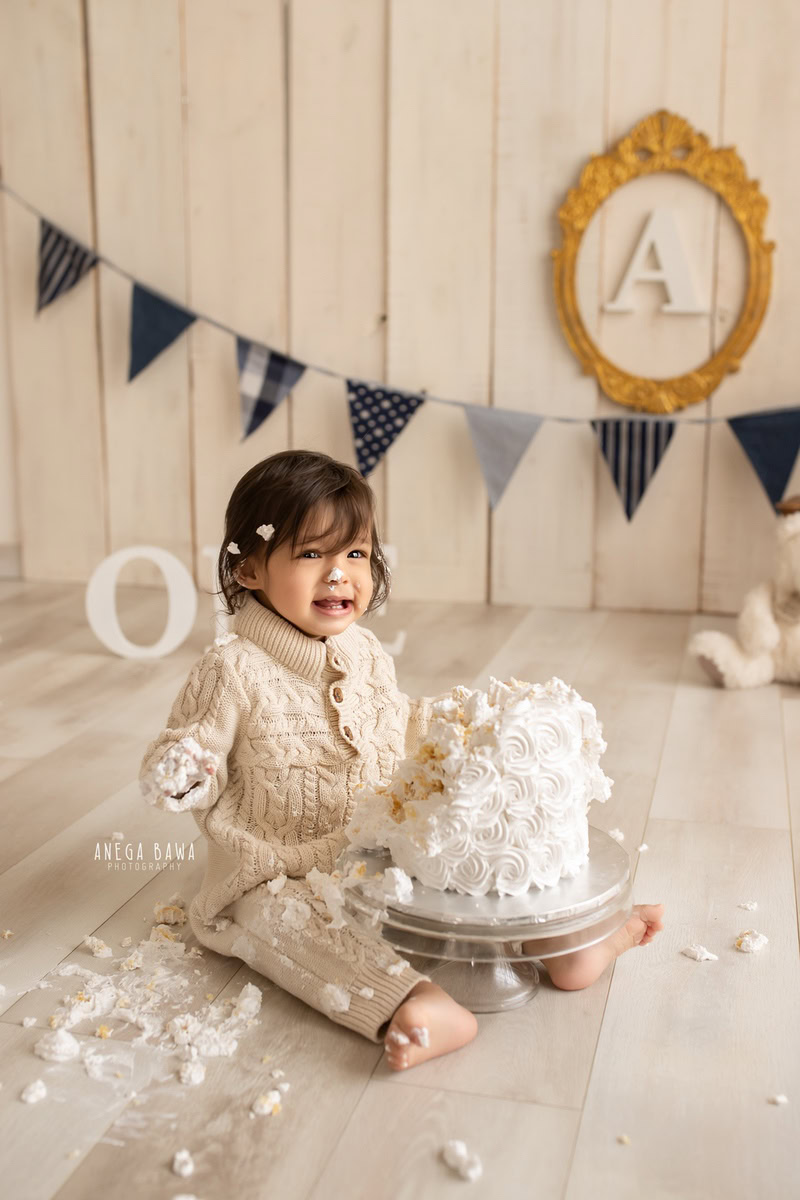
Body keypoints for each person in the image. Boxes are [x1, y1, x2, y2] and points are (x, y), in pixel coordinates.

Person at [139, 449, 664, 1072]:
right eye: (312, 554)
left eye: (355, 554)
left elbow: (399, 722)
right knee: (287, 928)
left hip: (372, 843)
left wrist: (466, 725)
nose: (340, 574)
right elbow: (188, 752)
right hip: (270, 865)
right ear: (250, 569)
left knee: (458, 873)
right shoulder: (231, 669)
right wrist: (186, 768)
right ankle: (412, 1002)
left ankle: (560, 944)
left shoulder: (362, 652)